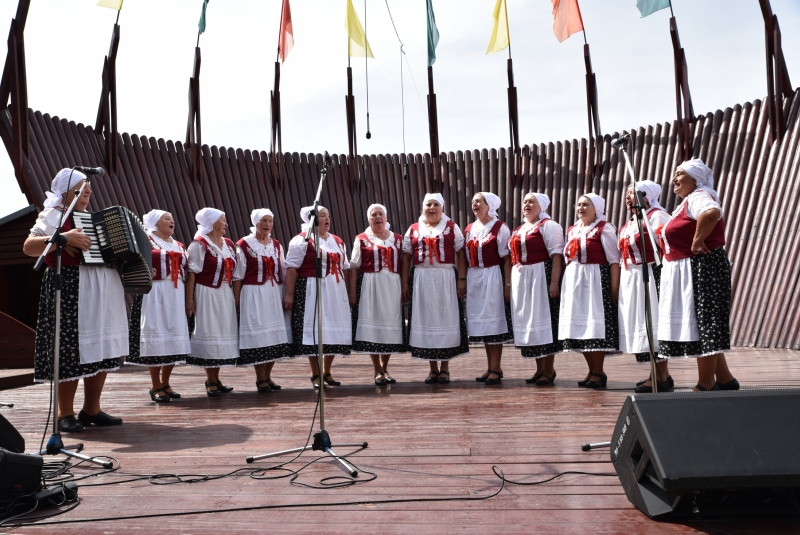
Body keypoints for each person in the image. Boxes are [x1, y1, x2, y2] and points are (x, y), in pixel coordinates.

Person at [23, 168, 125, 432]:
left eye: (89, 185)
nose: (88, 190)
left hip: (101, 289)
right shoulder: (53, 215)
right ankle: (63, 413)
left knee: (100, 347)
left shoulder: (93, 220)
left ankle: (92, 409)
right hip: (68, 285)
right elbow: (29, 246)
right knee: (69, 348)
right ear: (65, 191)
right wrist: (63, 238)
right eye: (82, 185)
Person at [658, 159, 737, 391]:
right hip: (693, 268)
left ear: (695, 179)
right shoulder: (687, 201)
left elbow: (711, 213)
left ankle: (705, 384)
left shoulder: (700, 195)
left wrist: (697, 240)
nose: (674, 179)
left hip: (703, 268)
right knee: (701, 322)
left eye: (680, 174)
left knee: (705, 322)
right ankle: (724, 378)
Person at [401, 193, 469, 384]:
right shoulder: (413, 229)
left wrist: (461, 279)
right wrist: (405, 283)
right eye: (428, 204)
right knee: (427, 319)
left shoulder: (451, 227)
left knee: (446, 317)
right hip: (421, 278)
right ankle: (432, 368)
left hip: (445, 277)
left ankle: (445, 368)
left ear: (442, 208)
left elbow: (461, 254)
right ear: (422, 208)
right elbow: (406, 256)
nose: (432, 208)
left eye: (436, 205)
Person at [283, 206, 352, 388]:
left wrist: (348, 293)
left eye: (328, 216)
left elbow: (345, 267)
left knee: (333, 331)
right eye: (322, 216)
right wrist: (289, 295)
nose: (327, 219)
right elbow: (291, 269)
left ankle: (326, 371)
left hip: (335, 290)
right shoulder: (301, 241)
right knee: (315, 330)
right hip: (312, 288)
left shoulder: (337, 241)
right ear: (311, 219)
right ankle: (315, 374)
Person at [126, 209, 191, 402]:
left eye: (172, 218)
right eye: (167, 219)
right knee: (156, 337)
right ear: (155, 222)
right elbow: (131, 262)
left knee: (173, 336)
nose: (172, 221)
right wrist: (144, 270)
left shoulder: (178, 244)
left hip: (175, 294)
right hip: (154, 293)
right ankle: (155, 385)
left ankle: (166, 382)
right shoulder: (146, 241)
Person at [558, 193, 621, 389]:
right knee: (579, 328)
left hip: (595, 281)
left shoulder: (605, 228)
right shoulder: (573, 230)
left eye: (586, 205)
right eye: (579, 205)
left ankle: (599, 372)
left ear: (597, 208)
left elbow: (614, 261)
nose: (581, 208)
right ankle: (592, 370)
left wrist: (613, 288)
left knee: (593, 327)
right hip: (574, 282)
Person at [617, 181, 673, 393]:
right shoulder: (632, 220)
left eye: (633, 193)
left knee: (653, 323)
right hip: (633, 277)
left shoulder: (657, 216)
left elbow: (666, 244)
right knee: (644, 322)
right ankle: (659, 374)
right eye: (627, 193)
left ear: (647, 196)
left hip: (650, 273)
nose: (628, 197)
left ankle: (660, 376)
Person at [232, 209, 292, 392]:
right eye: (264, 221)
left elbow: (283, 270)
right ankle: (260, 378)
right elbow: (238, 276)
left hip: (273, 293)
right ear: (255, 223)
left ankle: (268, 375)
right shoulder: (243, 245)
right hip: (253, 294)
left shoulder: (276, 245)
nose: (267, 224)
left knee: (273, 335)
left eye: (270, 221)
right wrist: (237, 301)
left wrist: (286, 293)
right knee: (259, 336)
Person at [509, 193, 565, 386]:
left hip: (541, 275)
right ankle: (539, 368)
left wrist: (554, 283)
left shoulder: (549, 226)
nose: (527, 204)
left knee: (543, 321)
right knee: (530, 322)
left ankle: (549, 370)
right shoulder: (520, 228)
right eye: (525, 201)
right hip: (523, 278)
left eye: (531, 201)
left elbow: (557, 255)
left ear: (541, 205)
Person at [348, 204, 406, 385]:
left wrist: (404, 286)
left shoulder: (397, 239)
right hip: (370, 287)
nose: (378, 217)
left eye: (381, 214)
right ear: (369, 219)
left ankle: (385, 366)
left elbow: (404, 264)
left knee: (389, 324)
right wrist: (352, 292)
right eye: (374, 215)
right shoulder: (362, 239)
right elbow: (353, 267)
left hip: (392, 286)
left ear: (386, 218)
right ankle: (377, 369)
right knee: (373, 326)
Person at [185, 208, 240, 396]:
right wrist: (190, 299)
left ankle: (216, 378)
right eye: (222, 220)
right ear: (211, 222)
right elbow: (192, 273)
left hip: (225, 293)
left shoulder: (229, 244)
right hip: (206, 292)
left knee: (221, 332)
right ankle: (210, 380)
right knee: (210, 331)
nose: (225, 224)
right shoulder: (199, 244)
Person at [464, 192, 512, 385]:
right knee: (483, 323)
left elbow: (506, 258)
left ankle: (496, 366)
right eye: (473, 201)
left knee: (493, 322)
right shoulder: (469, 228)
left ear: (489, 205)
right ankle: (491, 367)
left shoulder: (500, 227)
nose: (475, 204)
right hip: (475, 276)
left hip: (493, 275)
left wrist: (507, 284)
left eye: (479, 201)